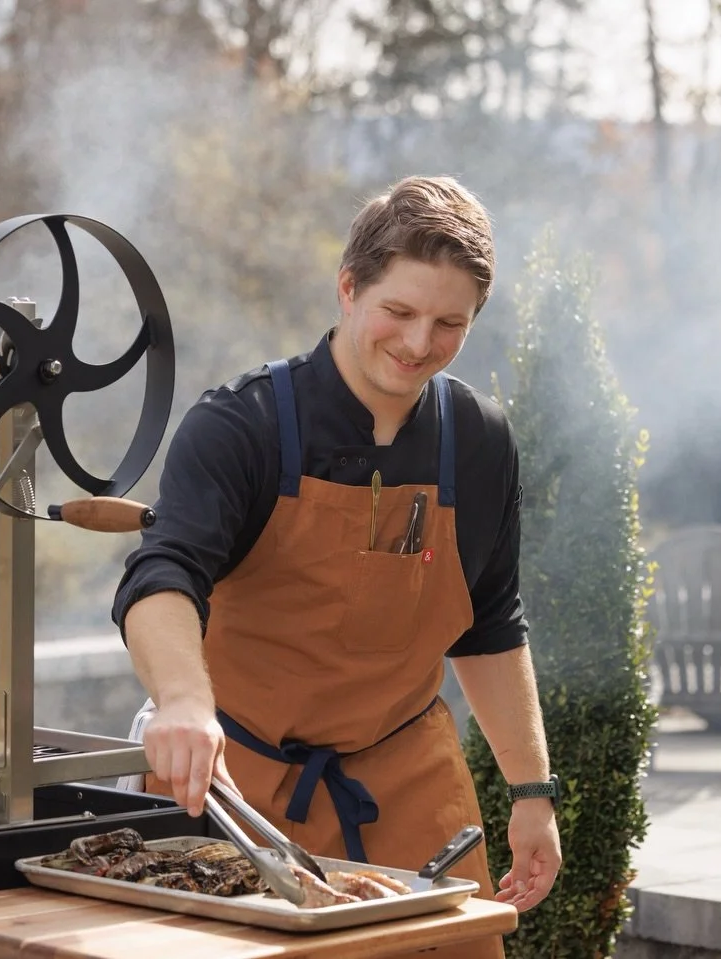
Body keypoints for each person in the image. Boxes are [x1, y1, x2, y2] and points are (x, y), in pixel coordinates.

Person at [111, 175, 562, 957]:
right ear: (349, 288)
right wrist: (182, 702)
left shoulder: (479, 440)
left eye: (449, 323)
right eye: (400, 311)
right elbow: (161, 576)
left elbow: (490, 621)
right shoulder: (241, 425)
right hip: (236, 792)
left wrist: (532, 792)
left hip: (410, 784)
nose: (419, 343)